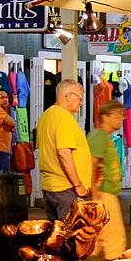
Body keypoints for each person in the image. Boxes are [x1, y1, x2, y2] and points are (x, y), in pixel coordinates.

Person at [37, 79, 91, 221]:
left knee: (57, 237)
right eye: (80, 98)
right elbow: (63, 153)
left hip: (51, 188)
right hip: (66, 189)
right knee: (73, 237)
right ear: (68, 96)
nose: (81, 103)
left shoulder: (46, 116)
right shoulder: (63, 117)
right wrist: (78, 185)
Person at [87, 100, 127, 261]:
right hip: (104, 193)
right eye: (117, 115)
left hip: (107, 192)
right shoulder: (99, 136)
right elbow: (91, 164)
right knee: (115, 237)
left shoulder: (105, 137)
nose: (121, 119)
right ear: (105, 116)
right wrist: (95, 193)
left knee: (99, 238)